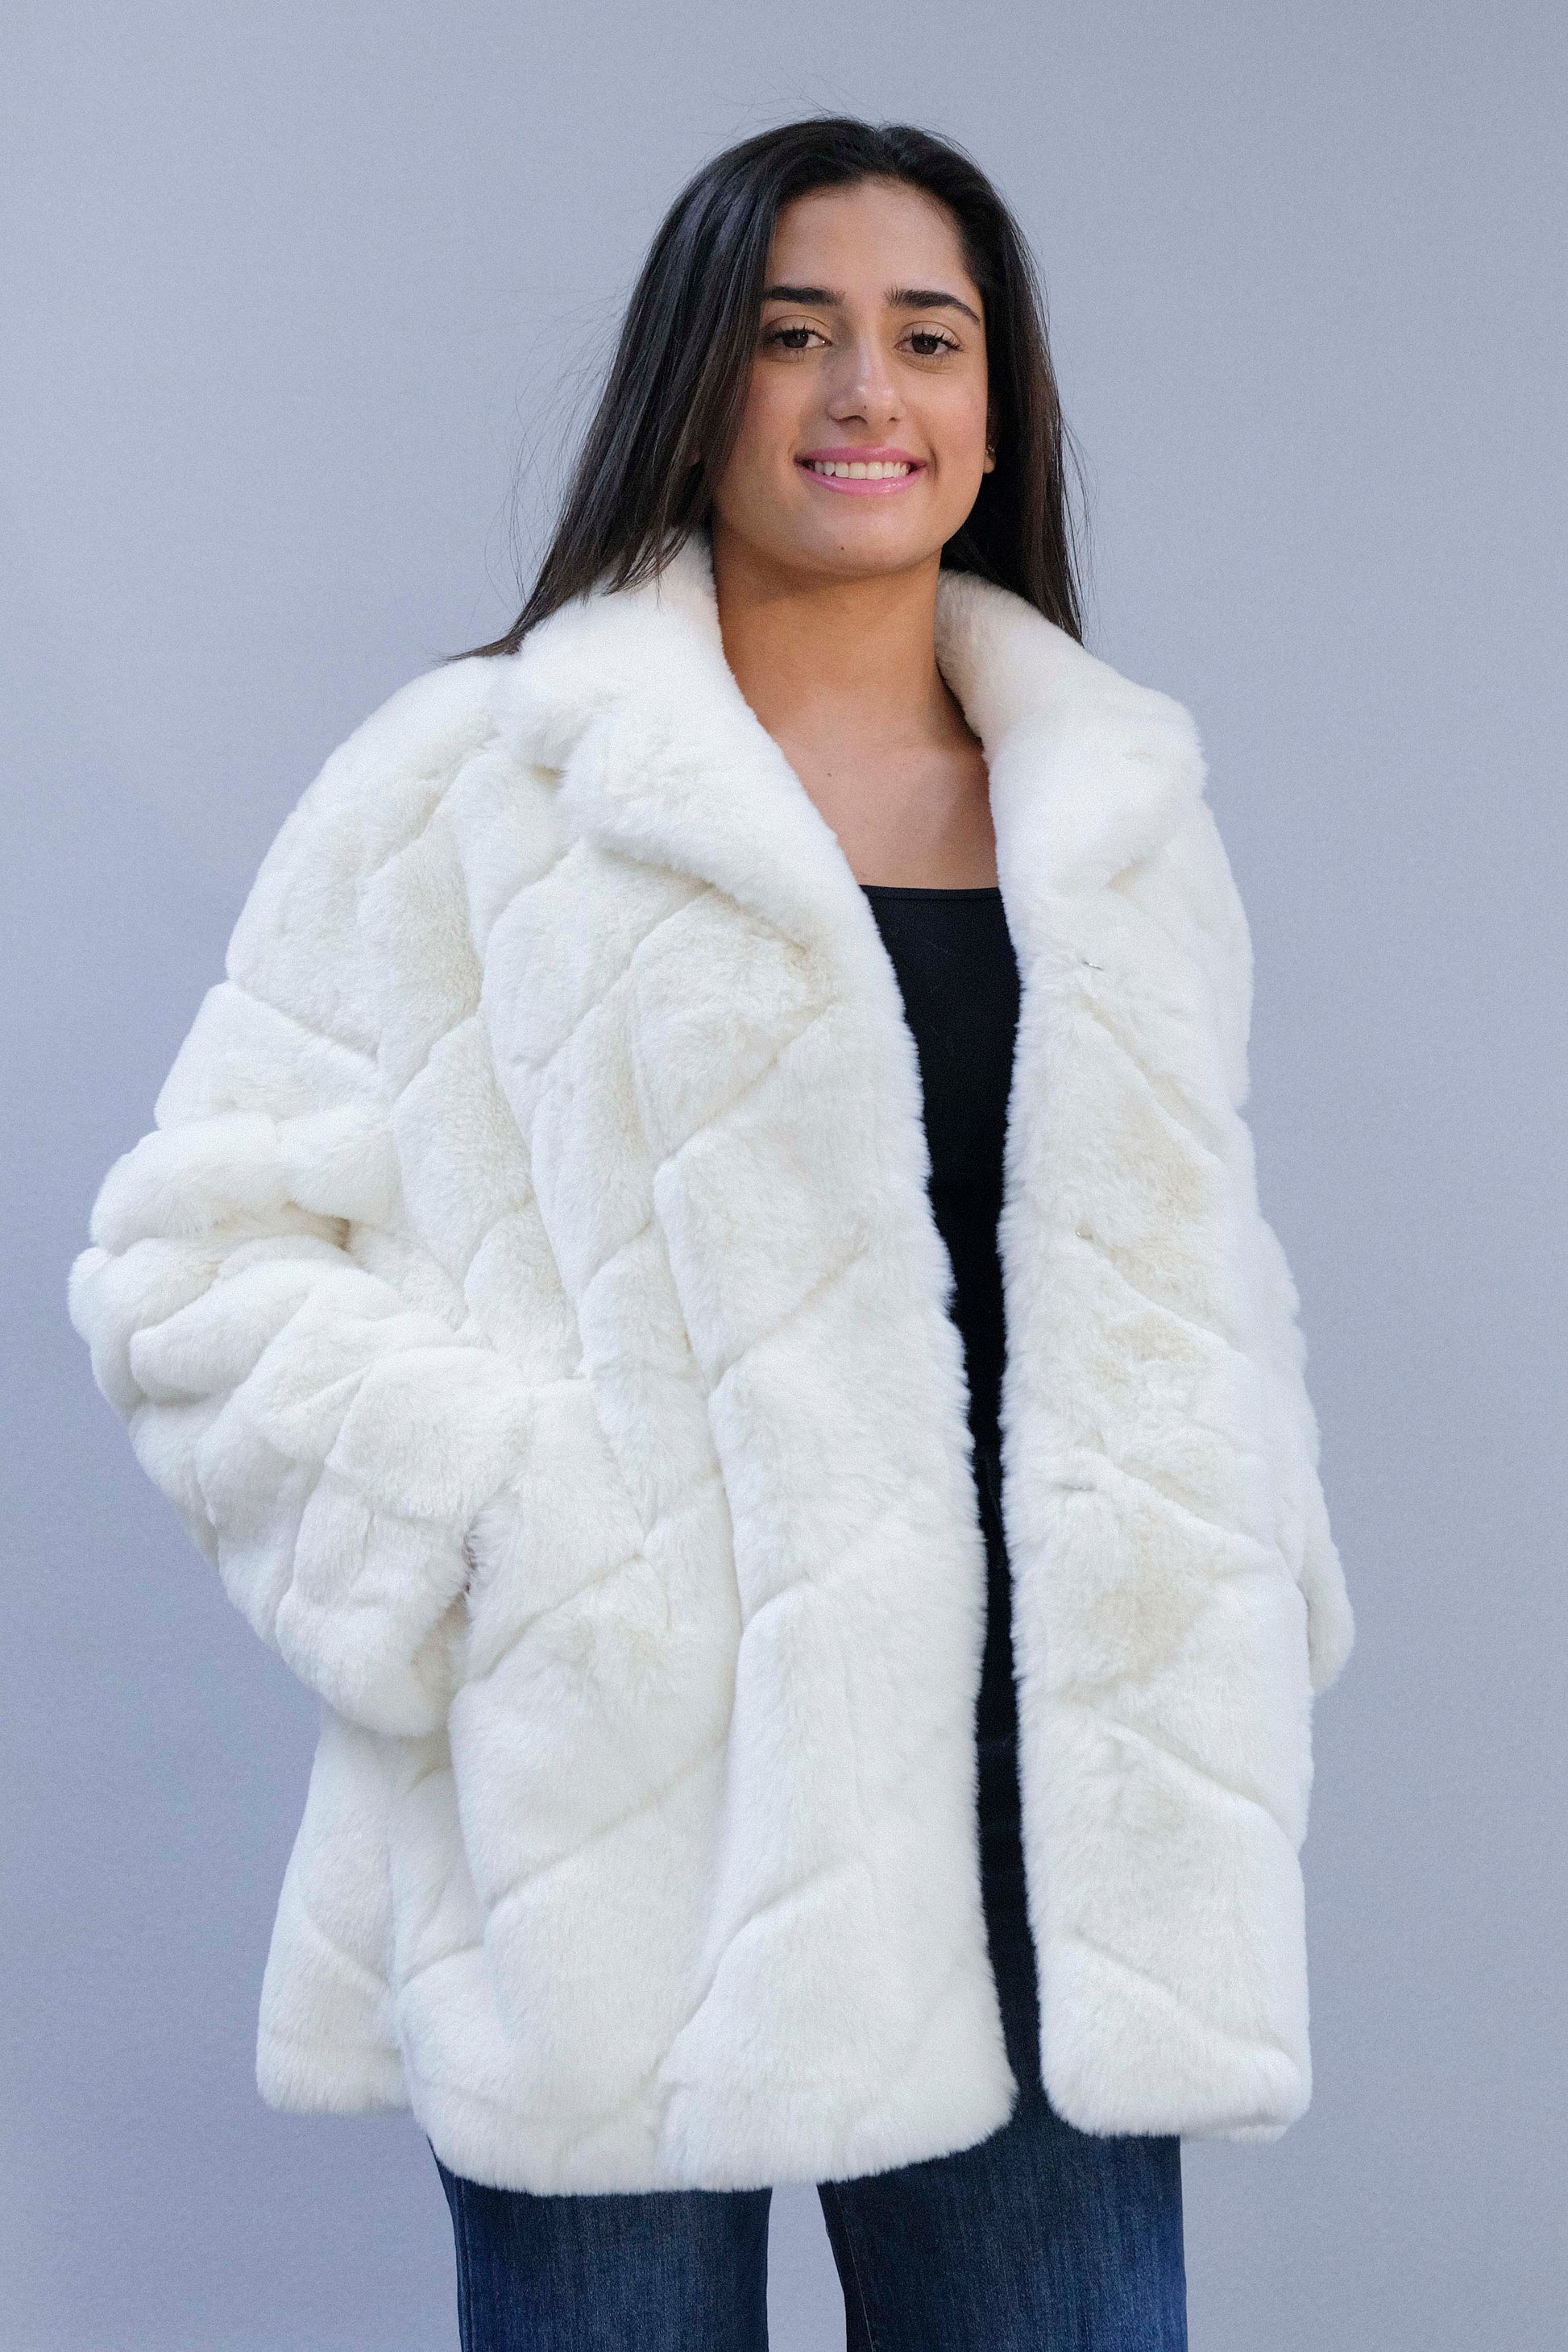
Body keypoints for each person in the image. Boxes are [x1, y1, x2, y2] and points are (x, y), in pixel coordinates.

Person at [69, 115, 1353, 2350]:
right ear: (695, 385)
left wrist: (1248, 1583)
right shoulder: (482, 778)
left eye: (928, 340)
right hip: (622, 1817)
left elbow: (1198, 1278)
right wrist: (522, 1538)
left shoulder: (1119, 818)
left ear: (999, 415)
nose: (867, 392)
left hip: (1051, 1826)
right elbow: (191, 1261)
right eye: (793, 334)